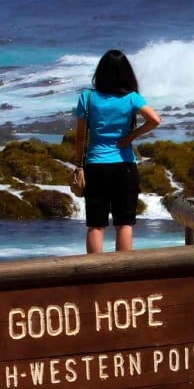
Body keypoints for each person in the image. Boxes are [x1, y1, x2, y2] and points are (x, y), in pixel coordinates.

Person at [74, 50, 161, 253]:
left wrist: (79, 163)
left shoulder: (87, 97)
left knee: (96, 225)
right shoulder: (132, 98)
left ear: (101, 72)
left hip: (96, 166)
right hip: (124, 166)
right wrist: (130, 137)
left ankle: (95, 274)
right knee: (124, 224)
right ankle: (122, 275)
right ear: (126, 73)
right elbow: (155, 120)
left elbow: (80, 136)